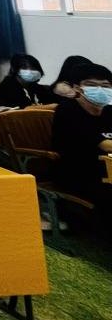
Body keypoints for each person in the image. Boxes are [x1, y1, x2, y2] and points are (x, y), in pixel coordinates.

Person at [51, 63, 112, 234]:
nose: (100, 90)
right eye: (91, 85)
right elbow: (104, 144)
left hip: (107, 169)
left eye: (105, 86)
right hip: (78, 173)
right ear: (77, 87)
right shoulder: (68, 110)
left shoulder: (109, 112)